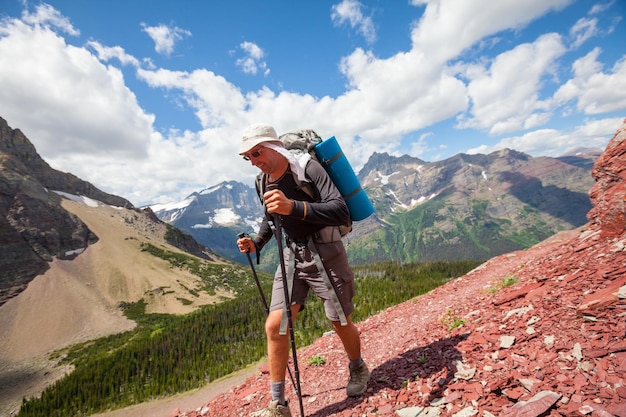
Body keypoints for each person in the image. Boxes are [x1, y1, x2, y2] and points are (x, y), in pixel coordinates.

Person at [236, 124, 370, 417]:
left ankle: (358, 367)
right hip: (291, 255)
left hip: (326, 251)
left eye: (256, 153)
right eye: (247, 157)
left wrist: (294, 207)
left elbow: (340, 210)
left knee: (339, 320)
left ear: (273, 146)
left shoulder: (307, 168)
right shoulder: (262, 181)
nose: (254, 161)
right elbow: (270, 216)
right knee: (276, 325)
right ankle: (278, 404)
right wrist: (257, 242)